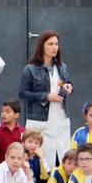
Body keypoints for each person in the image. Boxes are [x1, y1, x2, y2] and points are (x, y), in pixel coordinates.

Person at [19, 30, 74, 168]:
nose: (54, 47)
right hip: (40, 119)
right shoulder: (30, 69)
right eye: (50, 44)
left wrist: (69, 86)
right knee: (41, 161)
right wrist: (45, 96)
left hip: (60, 118)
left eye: (56, 44)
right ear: (42, 46)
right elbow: (23, 93)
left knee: (61, 157)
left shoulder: (62, 67)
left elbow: (65, 82)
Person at [0, 100, 24, 168]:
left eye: (7, 112)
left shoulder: (23, 131)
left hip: (19, 168)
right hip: (2, 169)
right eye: (2, 111)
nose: (3, 114)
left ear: (16, 115)